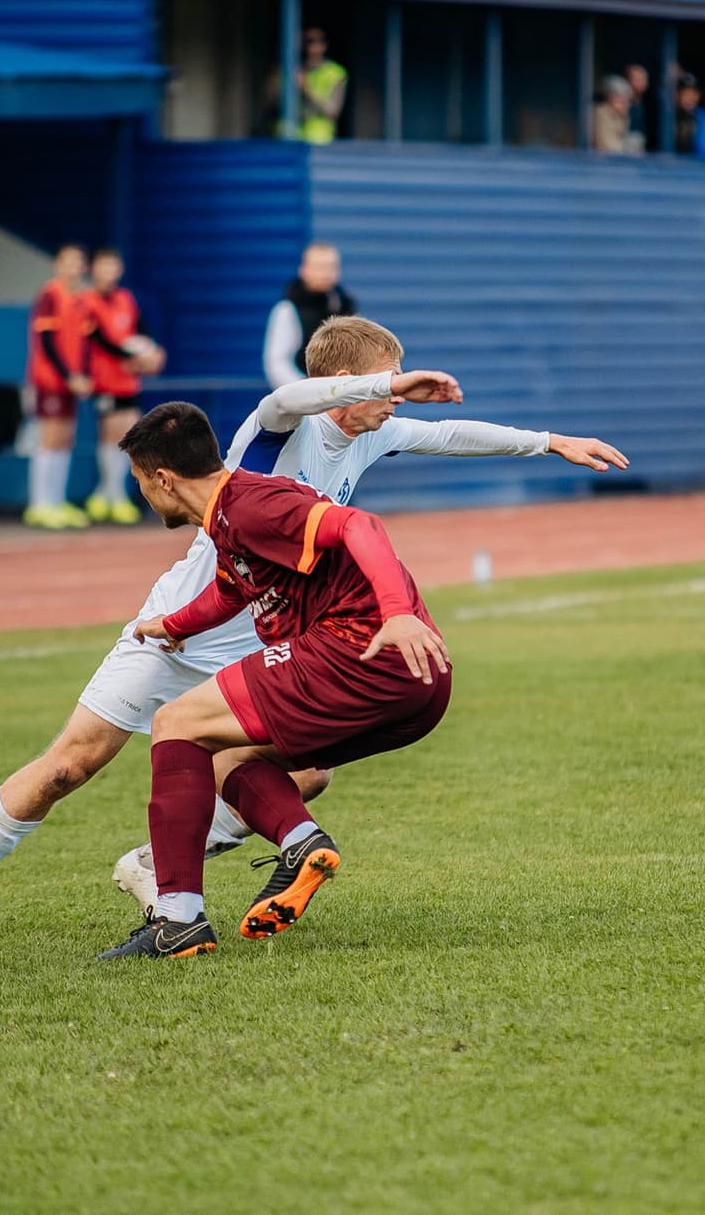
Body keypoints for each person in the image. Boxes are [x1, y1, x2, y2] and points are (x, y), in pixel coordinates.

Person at [0, 315, 626, 941]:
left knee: (306, 775)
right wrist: (384, 387)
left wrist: (549, 441)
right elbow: (285, 395)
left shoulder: (373, 434)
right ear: (347, 385)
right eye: (383, 381)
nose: (395, 395)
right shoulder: (277, 433)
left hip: (262, 634)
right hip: (179, 623)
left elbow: (451, 433)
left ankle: (161, 873)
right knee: (67, 768)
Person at [101, 400, 456, 961]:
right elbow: (230, 591)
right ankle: (300, 844)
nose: (143, 494)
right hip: (416, 683)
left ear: (164, 479)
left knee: (175, 723)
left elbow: (359, 523)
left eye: (141, 481)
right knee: (227, 759)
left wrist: (396, 612)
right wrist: (169, 625)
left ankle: (178, 921)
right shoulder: (227, 521)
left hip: (358, 651)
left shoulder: (252, 503)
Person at [79, 248, 165, 524]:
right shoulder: (88, 302)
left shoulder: (126, 299)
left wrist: (150, 353)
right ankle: (111, 493)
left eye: (113, 266)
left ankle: (107, 494)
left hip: (128, 380)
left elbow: (141, 330)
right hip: (105, 379)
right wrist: (133, 357)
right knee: (112, 434)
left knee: (128, 433)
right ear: (94, 269)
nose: (108, 272)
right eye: (103, 266)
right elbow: (99, 339)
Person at [24, 244, 94, 530]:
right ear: (58, 265)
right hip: (50, 380)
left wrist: (84, 375)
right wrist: (69, 376)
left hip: (71, 382)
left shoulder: (81, 300)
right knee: (50, 439)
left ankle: (56, 501)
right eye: (68, 262)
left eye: (79, 263)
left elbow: (86, 344)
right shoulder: (49, 295)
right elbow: (48, 343)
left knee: (66, 440)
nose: (74, 268)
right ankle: (39, 505)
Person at [263, 242, 357, 389]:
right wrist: (304, 391)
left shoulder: (345, 306)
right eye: (319, 267)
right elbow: (278, 363)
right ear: (303, 270)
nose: (325, 273)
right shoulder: (288, 309)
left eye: (330, 267)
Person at [295, 28, 348, 144]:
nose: (308, 48)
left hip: (319, 140)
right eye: (305, 42)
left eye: (313, 42)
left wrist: (307, 91)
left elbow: (333, 111)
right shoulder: (291, 69)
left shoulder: (335, 73)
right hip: (288, 137)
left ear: (323, 46)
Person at [592, 75, 640, 155]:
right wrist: (630, 151)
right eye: (621, 99)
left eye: (627, 100)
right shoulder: (601, 113)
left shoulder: (621, 116)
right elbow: (607, 146)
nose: (626, 104)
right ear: (610, 97)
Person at [624, 63, 650, 153]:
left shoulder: (650, 105)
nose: (641, 82)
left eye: (643, 79)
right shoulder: (620, 105)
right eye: (636, 79)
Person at [672, 71, 700, 157]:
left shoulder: (699, 117)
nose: (690, 97)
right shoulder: (668, 118)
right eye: (685, 93)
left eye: (693, 93)